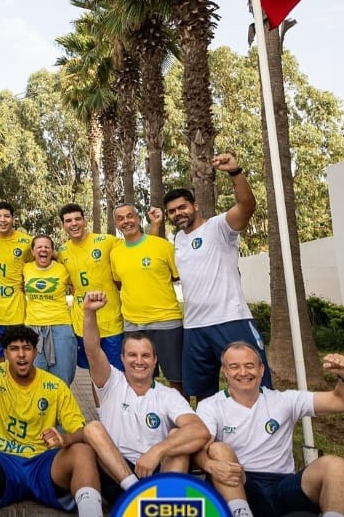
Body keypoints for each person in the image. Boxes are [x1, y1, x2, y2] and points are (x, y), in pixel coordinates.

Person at [0, 301, 104, 517]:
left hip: (42, 464)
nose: (21, 355)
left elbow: (81, 430)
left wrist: (65, 440)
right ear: (5, 353)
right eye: (14, 349)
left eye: (27, 348)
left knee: (83, 451)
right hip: (1, 462)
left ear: (35, 352)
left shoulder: (54, 386)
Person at [195, 342, 344, 517]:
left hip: (283, 485)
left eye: (249, 366)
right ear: (225, 372)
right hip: (241, 483)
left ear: (261, 370)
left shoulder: (284, 400)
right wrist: (208, 465)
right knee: (218, 449)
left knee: (337, 465)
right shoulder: (210, 406)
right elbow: (199, 448)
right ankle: (240, 512)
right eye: (234, 367)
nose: (243, 372)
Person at [78, 292, 209, 503]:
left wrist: (158, 450)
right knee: (93, 428)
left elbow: (199, 431)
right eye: (132, 355)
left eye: (145, 355)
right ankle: (135, 491)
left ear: (155, 360)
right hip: (117, 473)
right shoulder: (112, 382)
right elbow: (92, 350)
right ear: (121, 358)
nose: (139, 361)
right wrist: (89, 313)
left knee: (179, 441)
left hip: (155, 471)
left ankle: (165, 501)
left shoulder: (168, 395)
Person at [164, 152, 271, 398]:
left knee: (255, 385)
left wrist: (235, 172)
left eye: (182, 207)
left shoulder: (219, 227)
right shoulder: (178, 239)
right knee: (202, 394)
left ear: (195, 206)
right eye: (172, 211)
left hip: (230, 319)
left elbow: (247, 206)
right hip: (194, 326)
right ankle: (211, 435)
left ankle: (261, 432)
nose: (178, 213)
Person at [109, 204, 185, 393]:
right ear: (116, 224)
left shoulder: (162, 246)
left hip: (166, 322)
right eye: (120, 218)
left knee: (176, 379)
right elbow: (119, 282)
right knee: (139, 379)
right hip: (133, 325)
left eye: (130, 216)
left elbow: (178, 275)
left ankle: (181, 420)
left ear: (138, 218)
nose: (126, 221)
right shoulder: (115, 253)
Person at [57, 203, 124, 374]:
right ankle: (98, 403)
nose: (74, 223)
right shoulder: (62, 252)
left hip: (111, 322)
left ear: (85, 220)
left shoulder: (107, 242)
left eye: (78, 219)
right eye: (68, 220)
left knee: (117, 374)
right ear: (63, 225)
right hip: (83, 323)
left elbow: (132, 255)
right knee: (95, 373)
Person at [0, 202, 33, 358]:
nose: (2, 220)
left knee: (17, 357)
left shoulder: (26, 242)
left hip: (16, 313)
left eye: (7, 216)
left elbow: (35, 267)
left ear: (14, 219)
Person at [22, 234, 77, 386]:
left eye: (47, 247)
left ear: (52, 251)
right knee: (35, 379)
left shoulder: (63, 269)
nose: (43, 250)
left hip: (61, 327)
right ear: (33, 252)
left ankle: (61, 409)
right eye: (39, 247)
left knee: (62, 379)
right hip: (32, 329)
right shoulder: (25, 268)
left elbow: (77, 287)